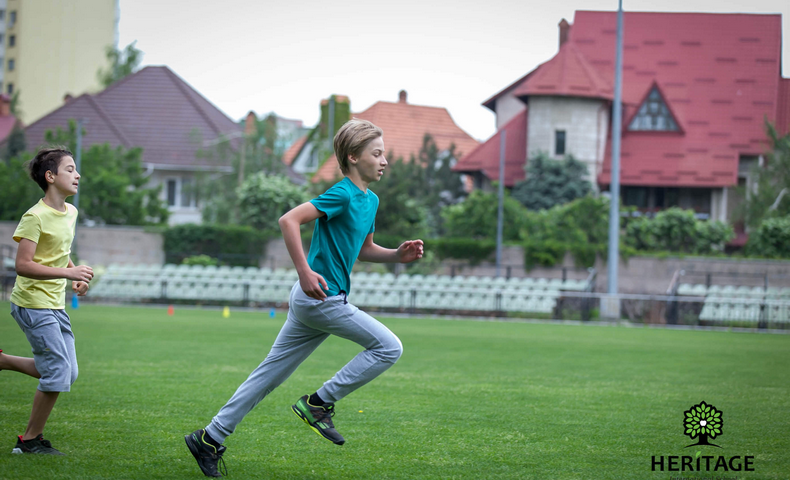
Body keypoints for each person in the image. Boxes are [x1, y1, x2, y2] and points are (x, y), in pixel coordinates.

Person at [186, 119, 424, 477]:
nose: (384, 160)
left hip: (314, 300)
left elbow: (365, 249)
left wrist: (396, 256)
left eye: (384, 153)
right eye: (377, 154)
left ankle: (210, 437)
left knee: (269, 375)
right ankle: (318, 403)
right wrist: (303, 270)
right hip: (321, 298)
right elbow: (289, 220)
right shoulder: (342, 193)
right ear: (353, 157)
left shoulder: (370, 200)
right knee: (388, 347)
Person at [3, 147, 93, 455]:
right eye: (70, 170)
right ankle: (29, 441)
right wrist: (68, 275)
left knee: (67, 372)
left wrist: (74, 274)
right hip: (31, 303)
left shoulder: (71, 212)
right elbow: (23, 265)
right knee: (57, 371)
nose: (77, 175)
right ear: (50, 177)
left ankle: (3, 361)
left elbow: (60, 253)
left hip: (55, 303)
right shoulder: (34, 216)